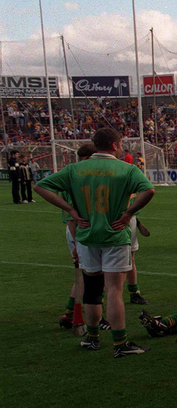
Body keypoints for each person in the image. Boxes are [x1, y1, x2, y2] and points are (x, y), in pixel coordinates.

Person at [33, 127, 155, 358]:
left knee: (91, 290)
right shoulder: (126, 169)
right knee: (114, 291)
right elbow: (149, 191)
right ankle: (119, 344)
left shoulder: (75, 169)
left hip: (86, 236)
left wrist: (70, 209)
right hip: (114, 236)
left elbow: (40, 186)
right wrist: (129, 214)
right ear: (115, 145)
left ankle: (92, 338)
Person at [56, 143, 98, 335]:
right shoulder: (78, 176)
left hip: (78, 229)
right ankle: (79, 316)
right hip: (78, 231)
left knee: (86, 275)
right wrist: (77, 243)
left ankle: (69, 312)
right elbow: (71, 215)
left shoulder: (73, 173)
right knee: (90, 275)